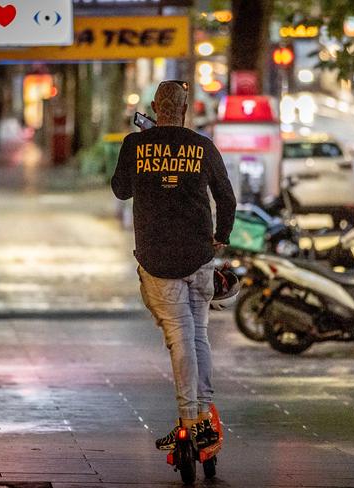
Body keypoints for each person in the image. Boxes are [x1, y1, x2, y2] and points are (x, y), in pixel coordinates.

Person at [111, 80, 236, 451]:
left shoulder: (135, 145)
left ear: (154, 106)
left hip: (157, 259)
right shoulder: (202, 147)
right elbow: (226, 198)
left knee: (181, 337)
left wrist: (145, 159)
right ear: (185, 110)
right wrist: (221, 236)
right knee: (198, 334)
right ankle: (201, 416)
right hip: (199, 257)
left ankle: (192, 420)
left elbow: (121, 190)